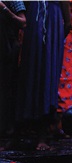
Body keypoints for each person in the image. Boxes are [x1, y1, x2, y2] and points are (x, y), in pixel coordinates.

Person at [15, 1, 71, 151]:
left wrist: (55, 40)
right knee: (29, 77)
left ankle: (43, 135)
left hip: (52, 34)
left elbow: (68, 23)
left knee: (48, 80)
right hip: (32, 34)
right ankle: (24, 130)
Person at [0, 0, 26, 138]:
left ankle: (7, 135)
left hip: (7, 49)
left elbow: (22, 22)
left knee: (6, 93)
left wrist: (5, 10)